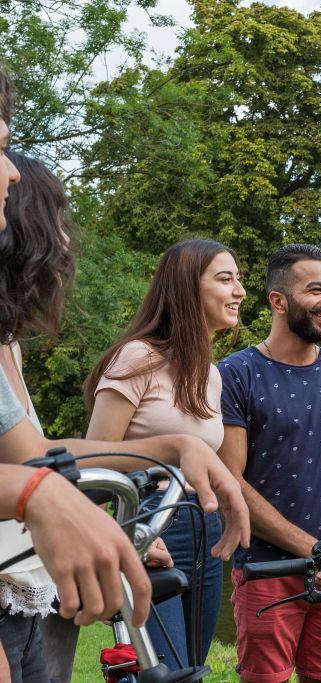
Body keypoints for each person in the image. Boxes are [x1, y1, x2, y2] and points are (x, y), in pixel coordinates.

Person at [0, 74, 248, 680]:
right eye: (56, 220)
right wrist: (87, 507)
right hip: (34, 563)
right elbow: (43, 468)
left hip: (47, 564)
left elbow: (35, 457)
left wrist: (174, 446)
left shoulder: (10, 346)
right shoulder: (137, 357)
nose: (66, 242)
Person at [218, 244, 321, 683]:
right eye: (316, 289)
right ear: (278, 301)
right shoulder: (235, 374)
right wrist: (316, 552)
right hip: (266, 572)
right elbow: (230, 482)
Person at [84, 238, 246, 670]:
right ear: (186, 289)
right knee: (163, 669)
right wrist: (132, 533)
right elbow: (93, 465)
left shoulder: (210, 375)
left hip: (201, 528)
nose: (240, 291)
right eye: (225, 279)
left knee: (191, 668)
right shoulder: (136, 358)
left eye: (239, 279)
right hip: (149, 521)